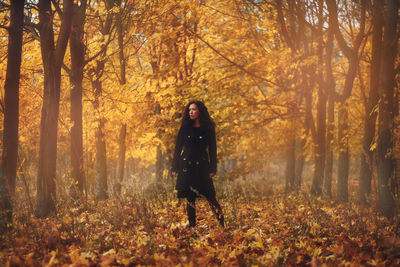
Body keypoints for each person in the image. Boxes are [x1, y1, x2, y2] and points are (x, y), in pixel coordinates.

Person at [171, 100, 225, 227]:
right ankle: (192, 227)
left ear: (200, 111)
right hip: (186, 167)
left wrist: (213, 168)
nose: (191, 112)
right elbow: (178, 148)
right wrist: (174, 167)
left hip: (202, 167)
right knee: (190, 199)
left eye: (194, 109)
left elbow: (213, 149)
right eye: (189, 110)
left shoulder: (208, 128)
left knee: (211, 197)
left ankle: (223, 224)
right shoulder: (184, 127)